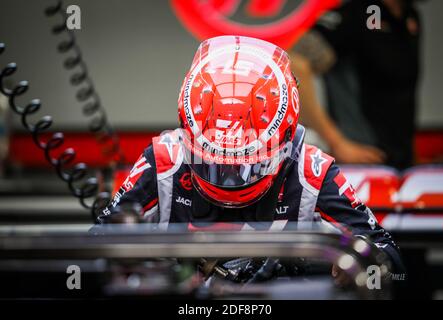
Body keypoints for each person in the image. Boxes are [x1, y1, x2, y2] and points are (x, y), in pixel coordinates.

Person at [100, 35, 404, 277]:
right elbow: (94, 251)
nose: (230, 179)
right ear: (187, 135)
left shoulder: (310, 171)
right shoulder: (164, 161)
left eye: (248, 164)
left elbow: (391, 261)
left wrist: (354, 261)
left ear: (285, 140)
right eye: (213, 163)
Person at [289, 0, 420, 169]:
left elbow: (401, 94)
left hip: (401, 162)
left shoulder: (410, 16)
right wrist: (337, 143)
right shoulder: (355, 13)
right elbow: (296, 63)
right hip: (362, 161)